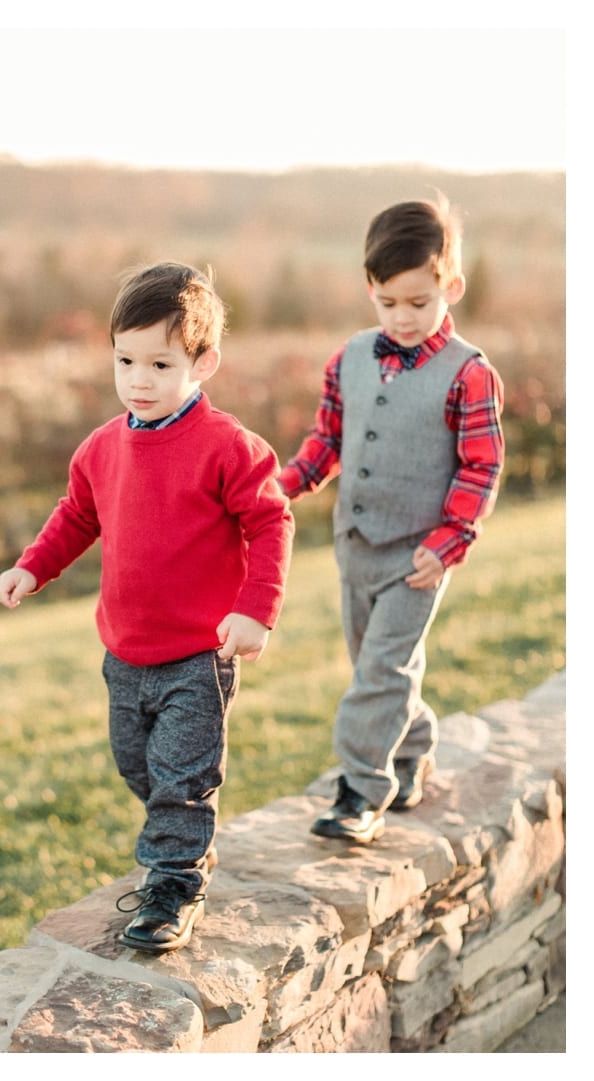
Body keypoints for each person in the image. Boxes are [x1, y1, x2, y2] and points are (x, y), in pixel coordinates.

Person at [0, 262, 294, 954]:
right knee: (143, 768)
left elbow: (272, 521)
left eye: (160, 363)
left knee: (182, 779)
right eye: (125, 360)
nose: (139, 378)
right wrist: (32, 566)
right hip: (125, 654)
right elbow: (76, 516)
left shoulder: (225, 446)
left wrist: (257, 609)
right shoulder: (103, 447)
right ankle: (183, 842)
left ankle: (172, 883)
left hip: (199, 653)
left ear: (203, 361)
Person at [280, 194, 504, 845]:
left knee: (381, 670)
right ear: (369, 289)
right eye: (388, 303)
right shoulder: (347, 357)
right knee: (375, 665)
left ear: (449, 286)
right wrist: (287, 485)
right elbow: (328, 440)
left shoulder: (468, 373)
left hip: (418, 557)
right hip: (355, 546)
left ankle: (360, 790)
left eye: (418, 302)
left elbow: (480, 467)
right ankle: (412, 752)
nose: (402, 317)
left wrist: (451, 538)